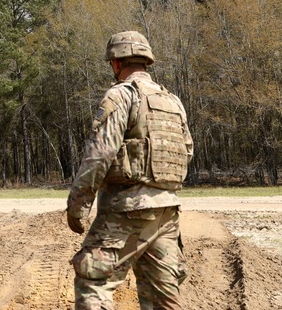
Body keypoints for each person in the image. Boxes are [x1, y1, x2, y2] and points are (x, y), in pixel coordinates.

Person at [66, 31, 193, 309]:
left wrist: (78, 204)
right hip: (167, 212)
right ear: (146, 62)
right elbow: (187, 151)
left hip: (128, 209)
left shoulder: (122, 95)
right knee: (163, 294)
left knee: (93, 281)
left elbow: (99, 154)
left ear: (116, 62)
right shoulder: (173, 102)